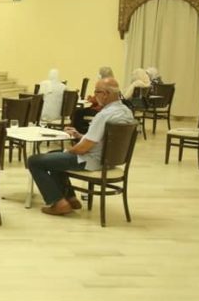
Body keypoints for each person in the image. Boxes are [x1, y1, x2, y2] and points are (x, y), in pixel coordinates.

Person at [28, 78, 135, 216]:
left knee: (34, 161)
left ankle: (58, 203)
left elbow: (82, 149)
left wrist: (68, 151)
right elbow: (103, 139)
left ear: (105, 94)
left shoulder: (104, 115)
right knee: (53, 156)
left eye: (96, 92)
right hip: (109, 160)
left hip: (91, 160)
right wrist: (80, 136)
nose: (94, 95)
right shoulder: (126, 111)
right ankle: (71, 199)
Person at [70, 66, 115, 134]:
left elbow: (98, 99)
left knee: (77, 113)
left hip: (99, 110)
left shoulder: (103, 85)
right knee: (80, 112)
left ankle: (80, 132)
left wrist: (90, 99)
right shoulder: (113, 84)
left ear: (101, 76)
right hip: (106, 110)